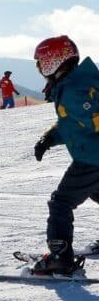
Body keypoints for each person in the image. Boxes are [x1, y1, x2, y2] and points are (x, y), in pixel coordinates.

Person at [29, 36, 99, 274]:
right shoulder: (77, 84)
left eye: (41, 63)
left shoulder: (74, 91)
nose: (40, 69)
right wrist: (49, 138)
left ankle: (60, 257)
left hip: (92, 159)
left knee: (61, 202)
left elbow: (91, 118)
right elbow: (76, 125)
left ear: (53, 62)